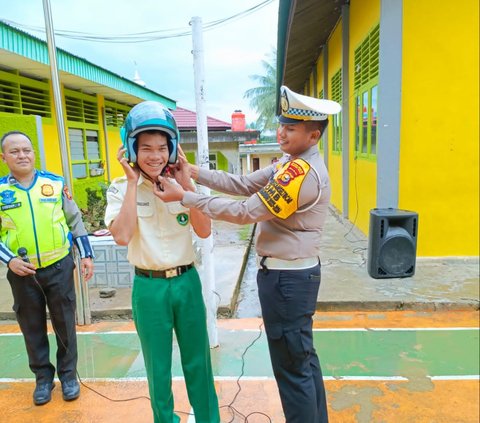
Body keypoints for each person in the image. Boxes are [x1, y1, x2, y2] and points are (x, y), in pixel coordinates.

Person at [154, 86, 341, 423]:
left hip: (288, 281)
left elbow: (245, 211)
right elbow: (242, 183)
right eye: (282, 125)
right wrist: (194, 172)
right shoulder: (290, 163)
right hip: (290, 277)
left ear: (313, 135)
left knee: (292, 371)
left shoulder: (300, 176)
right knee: (303, 362)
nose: (281, 132)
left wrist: (185, 197)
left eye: (292, 128)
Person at [104, 101, 220, 423]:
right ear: (132, 149)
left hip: (186, 281)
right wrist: (130, 184)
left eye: (161, 147)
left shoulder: (182, 186)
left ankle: (208, 418)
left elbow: (204, 229)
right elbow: (122, 236)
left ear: (172, 150)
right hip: (149, 287)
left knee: (198, 361)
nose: (154, 155)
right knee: (157, 367)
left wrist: (188, 186)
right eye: (146, 148)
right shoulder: (119, 189)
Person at [0, 131, 95, 405]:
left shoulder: (54, 184)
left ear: (33, 153)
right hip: (22, 272)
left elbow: (74, 220)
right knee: (32, 327)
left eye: (27, 150)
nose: (22, 155)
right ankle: (43, 379)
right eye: (15, 151)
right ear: (4, 157)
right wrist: (10, 260)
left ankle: (68, 376)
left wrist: (86, 255)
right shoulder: (2, 192)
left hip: (59, 267)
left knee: (65, 323)